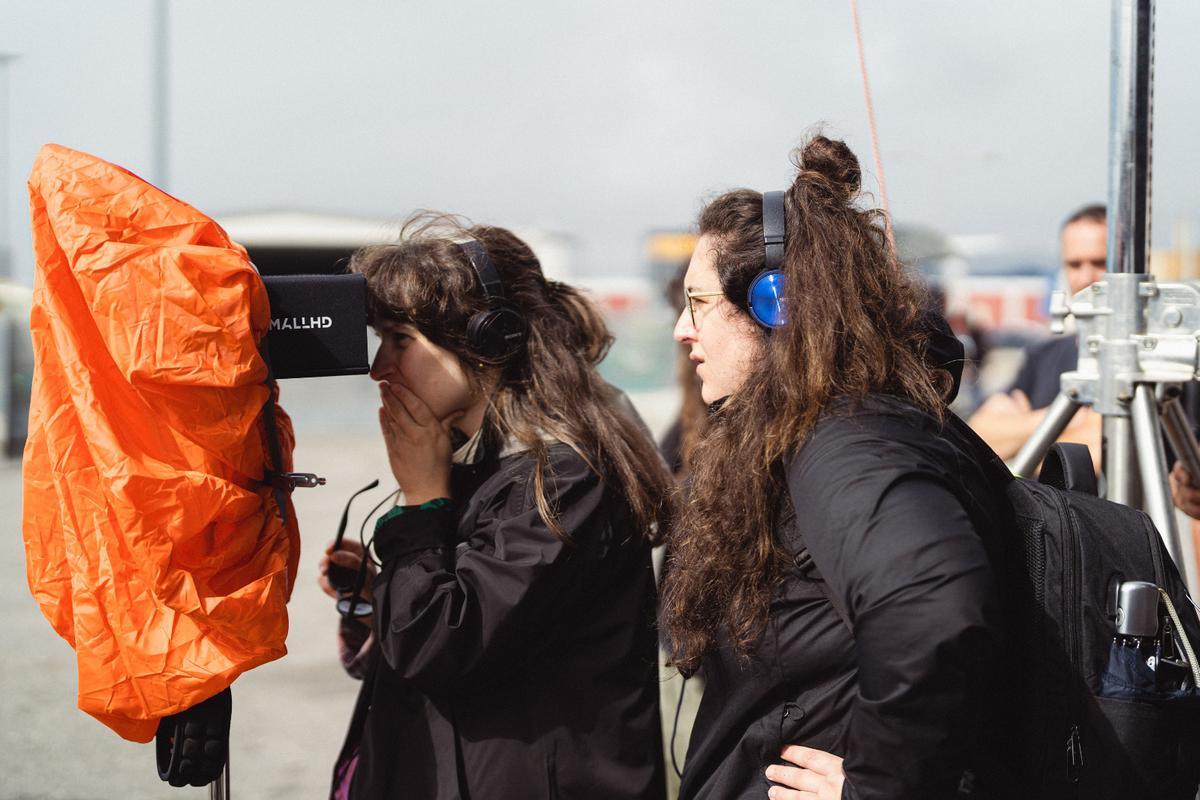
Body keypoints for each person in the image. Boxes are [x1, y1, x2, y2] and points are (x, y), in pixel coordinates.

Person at [660, 135, 1007, 799]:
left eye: (698, 302)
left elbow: (932, 608)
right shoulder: (825, 429)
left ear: (775, 304)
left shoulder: (845, 443)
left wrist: (874, 790)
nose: (683, 328)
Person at [317, 214, 673, 799]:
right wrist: (383, 592)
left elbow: (440, 647)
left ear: (488, 344)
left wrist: (421, 506)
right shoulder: (483, 465)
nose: (379, 368)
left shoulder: (565, 481)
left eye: (400, 340)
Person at [967, 205, 1108, 468]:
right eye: (1074, 264)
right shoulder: (1044, 356)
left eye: (1100, 263)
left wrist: (1022, 438)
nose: (1086, 277)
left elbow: (1102, 453)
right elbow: (979, 438)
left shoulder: (1155, 363)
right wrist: (1066, 419)